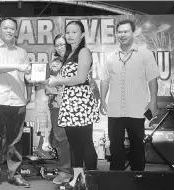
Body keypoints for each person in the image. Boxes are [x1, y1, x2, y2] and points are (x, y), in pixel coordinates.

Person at [99, 19, 160, 171]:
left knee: (137, 145)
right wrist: (102, 100)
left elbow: (152, 79)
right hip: (115, 109)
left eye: (126, 31)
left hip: (137, 109)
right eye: (120, 32)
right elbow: (105, 80)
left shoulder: (145, 54)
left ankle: (138, 176)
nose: (122, 34)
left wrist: (153, 101)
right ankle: (117, 178)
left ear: (133, 33)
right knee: (115, 145)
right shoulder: (110, 56)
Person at [46, 21, 99, 189]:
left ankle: (91, 180)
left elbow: (81, 78)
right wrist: (48, 81)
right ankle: (77, 179)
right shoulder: (68, 54)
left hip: (81, 102)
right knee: (75, 146)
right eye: (67, 32)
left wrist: (57, 80)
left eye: (74, 32)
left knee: (86, 143)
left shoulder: (84, 51)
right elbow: (60, 81)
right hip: (69, 102)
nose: (70, 35)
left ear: (82, 35)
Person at [0, 17, 32, 189]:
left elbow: (27, 76)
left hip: (18, 101)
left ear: (16, 31)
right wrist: (18, 67)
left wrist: (37, 77)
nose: (9, 31)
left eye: (12, 28)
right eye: (6, 28)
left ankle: (15, 175)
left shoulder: (22, 52)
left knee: (16, 141)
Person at [45, 57, 72, 185]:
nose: (60, 47)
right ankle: (65, 171)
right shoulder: (54, 63)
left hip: (75, 105)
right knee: (59, 138)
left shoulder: (76, 60)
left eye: (62, 44)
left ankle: (77, 170)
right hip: (56, 105)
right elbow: (48, 84)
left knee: (75, 138)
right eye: (58, 45)